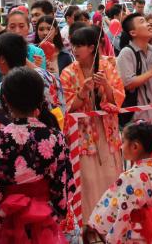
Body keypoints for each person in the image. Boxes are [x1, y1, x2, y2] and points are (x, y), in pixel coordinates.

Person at [0, 67, 74, 243]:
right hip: (43, 219)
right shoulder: (55, 137)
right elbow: (63, 184)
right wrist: (57, 212)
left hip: (7, 220)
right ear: (40, 99)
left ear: (5, 99)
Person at [60, 26, 125, 222]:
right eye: (73, 45)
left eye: (79, 45)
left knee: (111, 175)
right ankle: (89, 224)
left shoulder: (108, 65)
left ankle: (113, 221)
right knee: (87, 179)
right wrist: (82, 92)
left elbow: (118, 99)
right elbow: (67, 110)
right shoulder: (68, 73)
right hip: (84, 134)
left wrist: (104, 85)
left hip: (107, 130)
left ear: (91, 47)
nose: (75, 49)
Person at [88, 121, 152, 244]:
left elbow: (123, 213)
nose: (120, 146)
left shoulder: (130, 178)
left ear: (135, 146)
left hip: (138, 233)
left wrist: (112, 238)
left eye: (123, 141)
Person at [118, 13, 152, 127]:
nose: (148, 25)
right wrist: (151, 73)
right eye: (142, 22)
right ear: (133, 33)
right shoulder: (127, 53)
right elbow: (128, 83)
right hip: (139, 118)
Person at [0, 9, 46, 96]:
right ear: (6, 29)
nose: (17, 31)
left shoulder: (37, 53)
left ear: (28, 28)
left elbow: (44, 84)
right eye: (12, 27)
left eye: (21, 26)